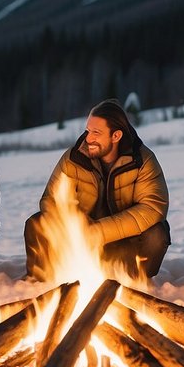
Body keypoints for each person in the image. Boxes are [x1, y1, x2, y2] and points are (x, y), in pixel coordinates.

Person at [24, 98, 171, 281]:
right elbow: (50, 200)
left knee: (157, 234)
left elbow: (153, 208)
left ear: (116, 136)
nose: (88, 138)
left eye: (96, 132)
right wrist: (77, 225)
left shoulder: (142, 160)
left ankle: (127, 281)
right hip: (80, 243)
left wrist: (99, 232)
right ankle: (43, 280)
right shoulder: (74, 158)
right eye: (87, 131)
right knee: (36, 223)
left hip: (124, 244)